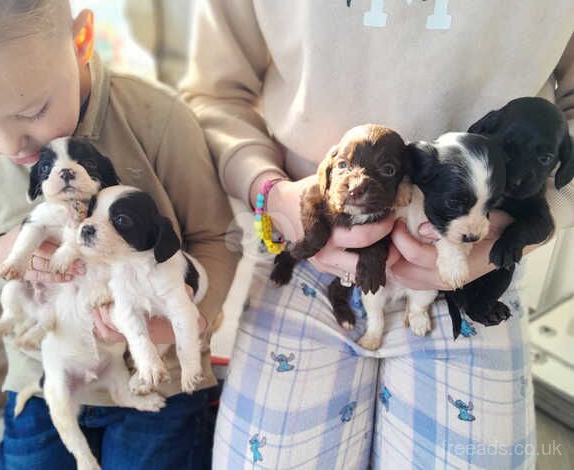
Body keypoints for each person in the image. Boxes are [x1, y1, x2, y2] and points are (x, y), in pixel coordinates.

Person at [180, 1, 574, 468]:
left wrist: (522, 229)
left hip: (480, 258)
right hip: (309, 240)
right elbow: (215, 95)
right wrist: (271, 195)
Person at [0, 1, 239, 468]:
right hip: (43, 379)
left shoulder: (156, 119)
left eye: (33, 109)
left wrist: (189, 320)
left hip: (158, 380)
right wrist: (1, 252)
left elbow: (216, 237)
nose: (7, 146)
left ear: (81, 40)